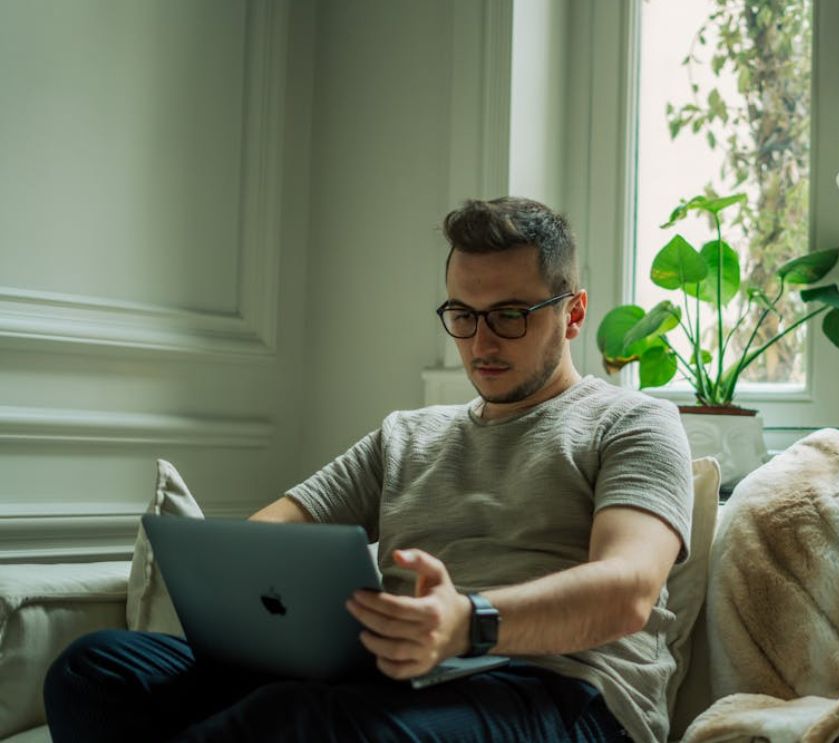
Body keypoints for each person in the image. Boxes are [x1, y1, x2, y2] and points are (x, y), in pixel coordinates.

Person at [43, 197, 694, 743]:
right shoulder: (409, 434)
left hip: (563, 693)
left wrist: (464, 622)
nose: (480, 341)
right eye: (462, 316)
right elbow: (268, 535)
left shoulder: (632, 421)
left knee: (295, 723)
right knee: (96, 668)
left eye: (509, 315)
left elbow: (627, 589)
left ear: (572, 313)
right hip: (395, 677)